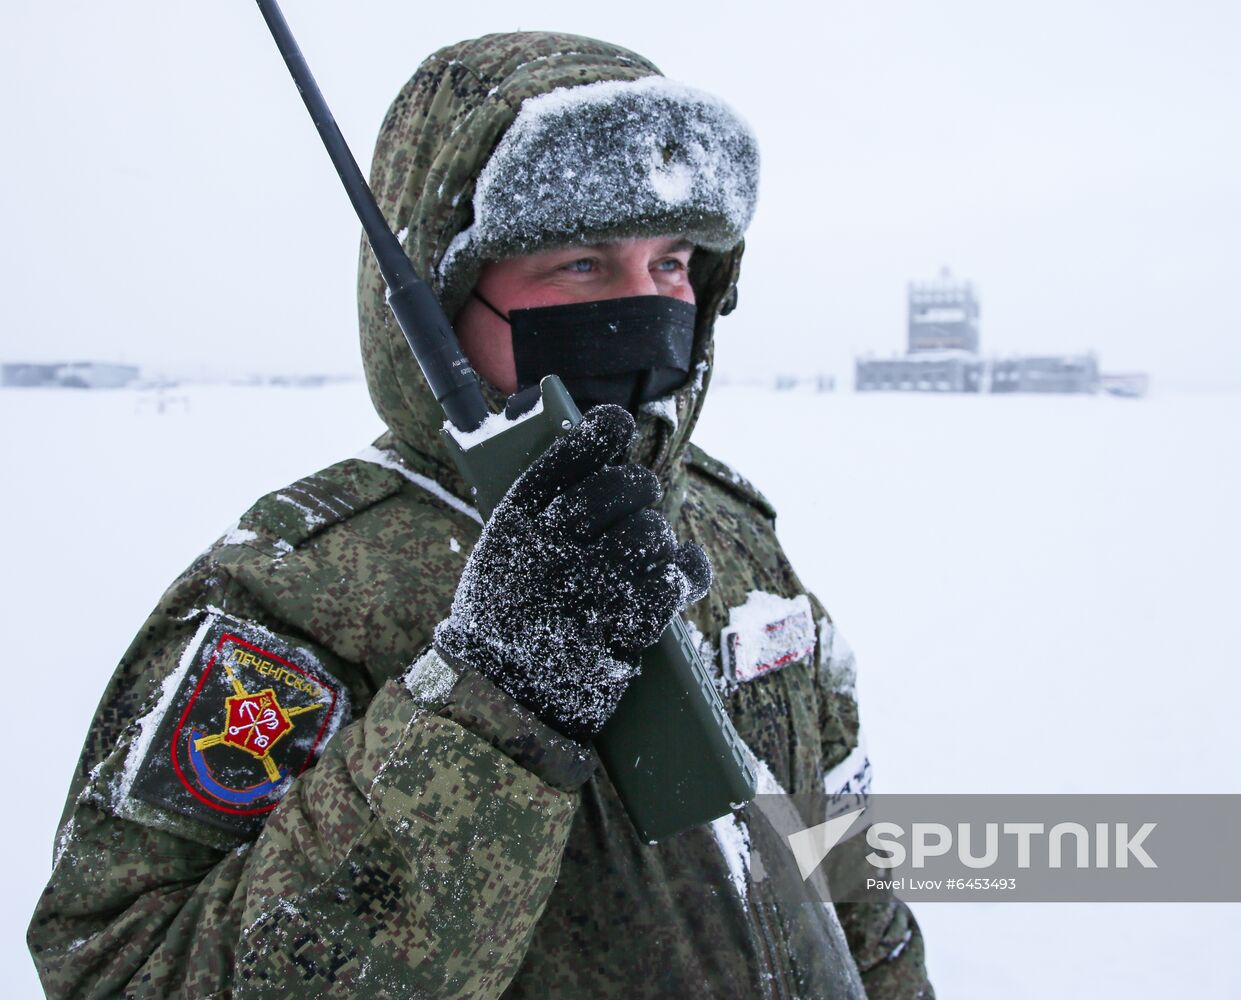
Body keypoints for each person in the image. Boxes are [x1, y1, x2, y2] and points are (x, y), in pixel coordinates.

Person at [28, 32, 934, 998]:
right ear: (443, 294)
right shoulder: (304, 595)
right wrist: (495, 701)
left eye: (672, 263)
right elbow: (124, 972)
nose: (644, 305)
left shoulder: (729, 533)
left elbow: (846, 871)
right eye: (582, 265)